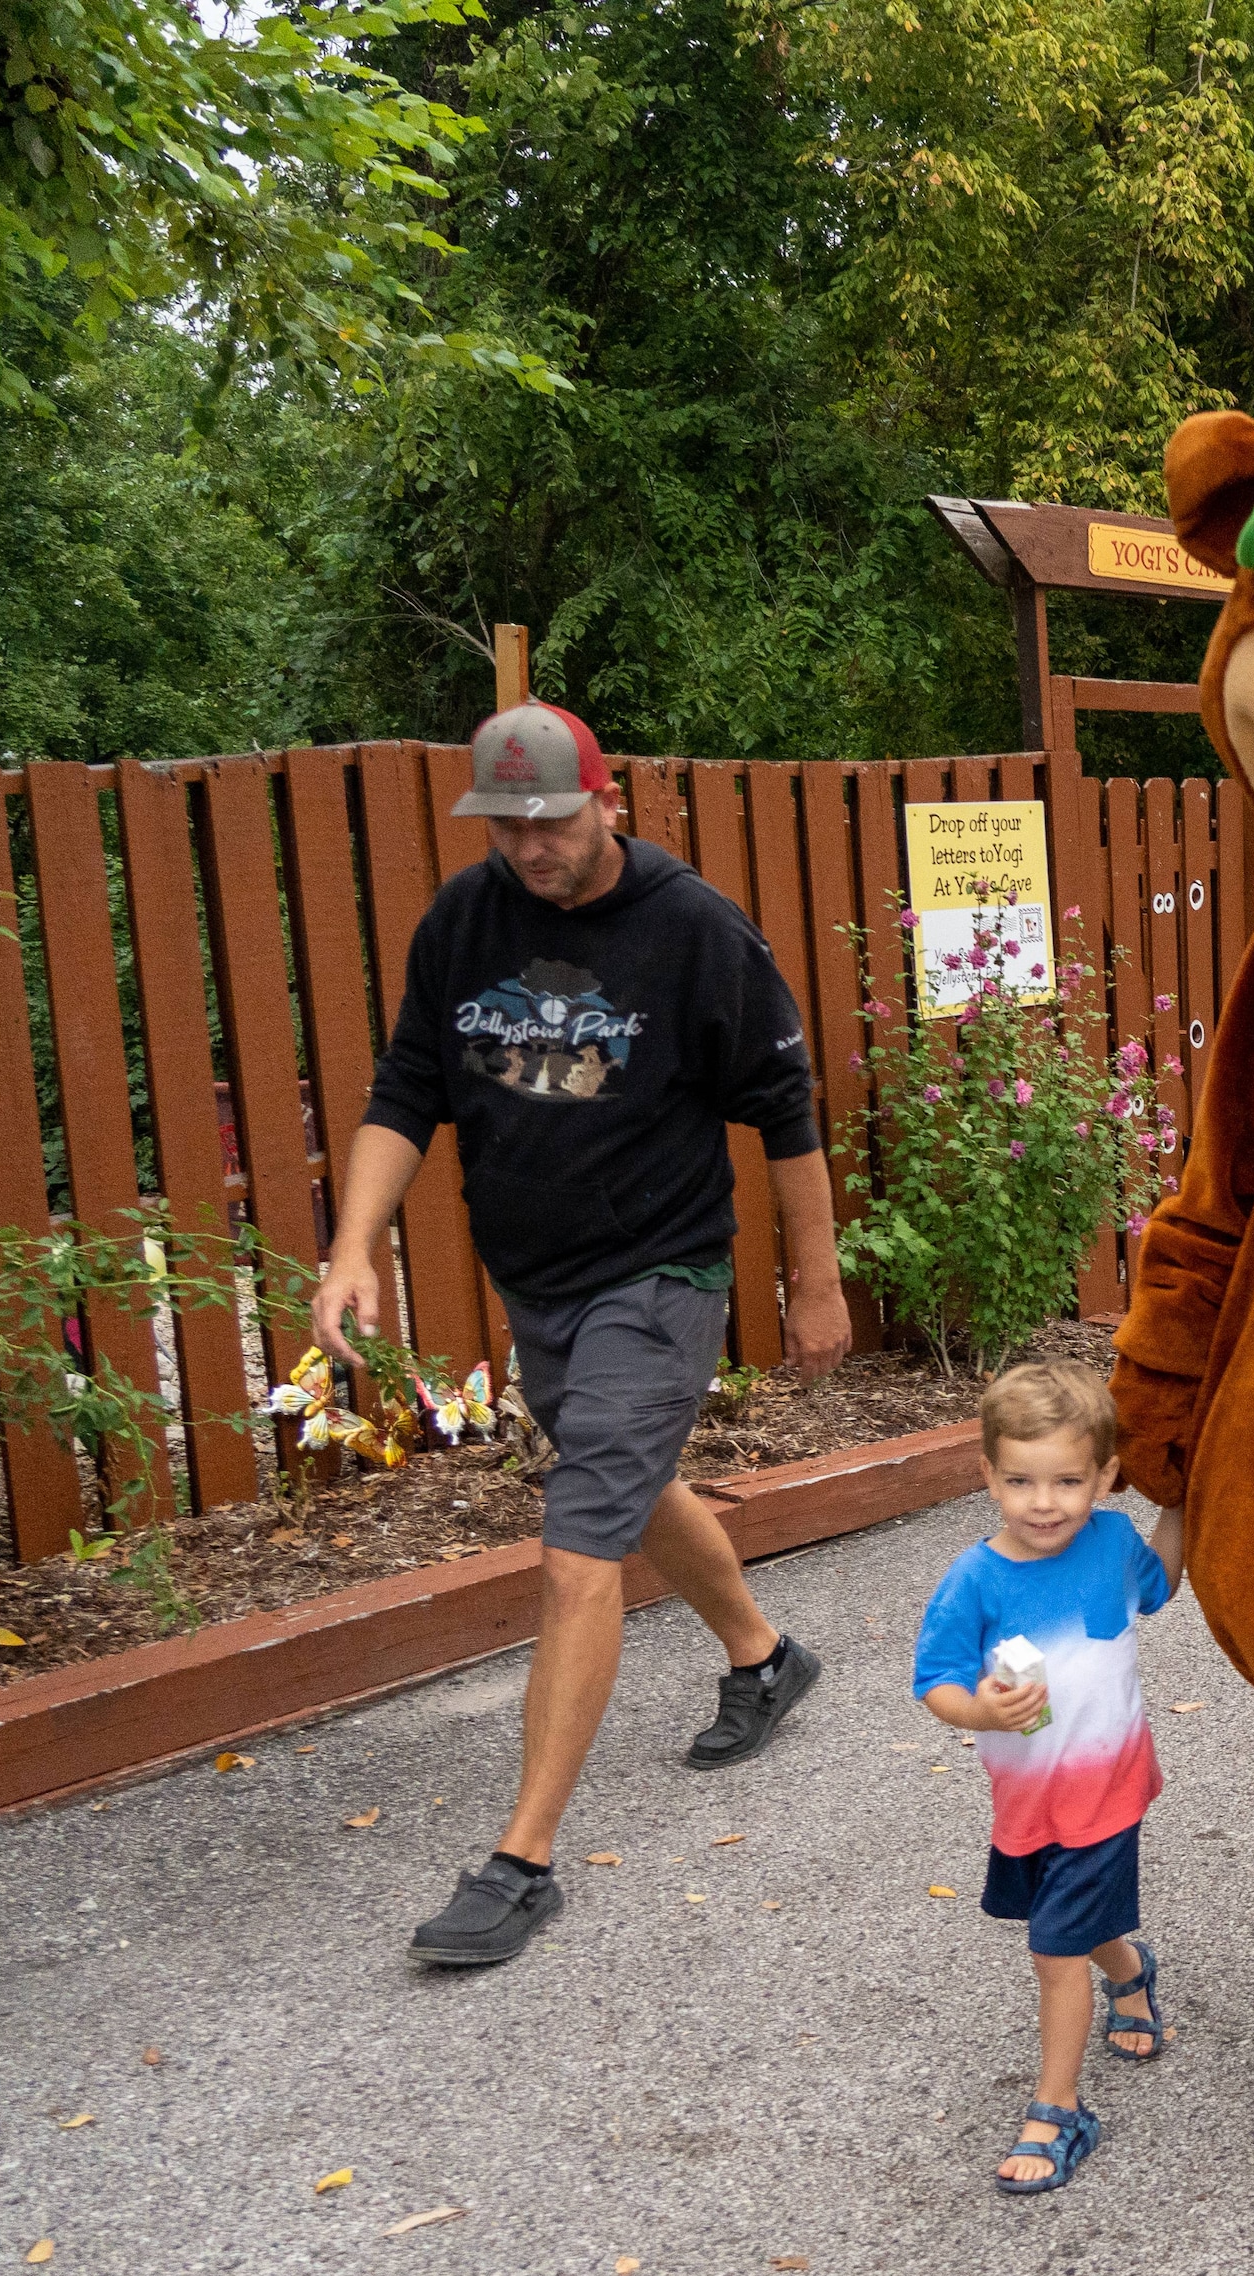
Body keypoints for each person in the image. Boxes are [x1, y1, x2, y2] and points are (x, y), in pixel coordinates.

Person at [315, 701, 849, 1970]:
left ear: (606, 801)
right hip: (539, 1277)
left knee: (576, 1541)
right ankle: (764, 1657)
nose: (530, 843)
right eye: (506, 821)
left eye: (550, 818)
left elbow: (785, 1110)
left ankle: (523, 1859)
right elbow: (409, 1088)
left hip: (658, 1271)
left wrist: (816, 1285)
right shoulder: (466, 919)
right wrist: (354, 1244)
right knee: (632, 1486)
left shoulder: (692, 928)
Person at [911, 1361, 1188, 2193]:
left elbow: (1160, 1586)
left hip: (1107, 1790)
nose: (1045, 1503)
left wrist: (1180, 1502)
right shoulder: (974, 1579)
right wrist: (980, 1713)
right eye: (1023, 1480)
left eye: (1069, 1480)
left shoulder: (1110, 1543)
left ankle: (1059, 2110)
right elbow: (938, 1683)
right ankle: (1131, 1970)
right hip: (1026, 1799)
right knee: (1059, 1921)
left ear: (1105, 1477)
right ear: (989, 1473)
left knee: (1051, 1949)